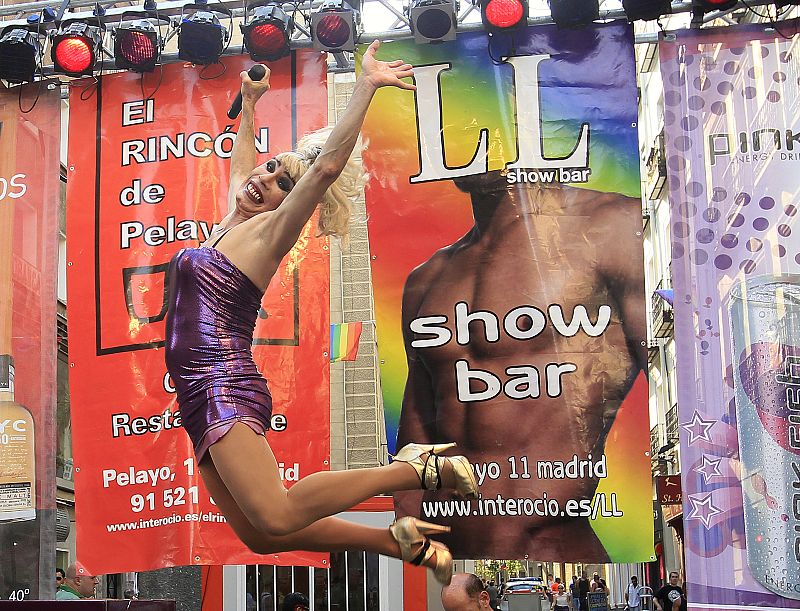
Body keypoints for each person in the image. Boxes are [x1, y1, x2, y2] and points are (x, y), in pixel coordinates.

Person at [164, 40, 477, 587]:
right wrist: (251, 104)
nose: (264, 181)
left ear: (292, 204)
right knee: (260, 535)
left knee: (279, 513)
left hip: (220, 381)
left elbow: (328, 165)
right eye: (269, 170)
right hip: (196, 389)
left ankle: (413, 468)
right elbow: (244, 166)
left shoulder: (267, 234)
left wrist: (365, 86)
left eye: (284, 184)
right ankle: (393, 540)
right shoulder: (231, 223)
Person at [395, 173, 646, 560]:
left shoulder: (609, 226)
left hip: (560, 551)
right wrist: (410, 555)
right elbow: (416, 447)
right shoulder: (427, 278)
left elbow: (672, 369)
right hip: (447, 557)